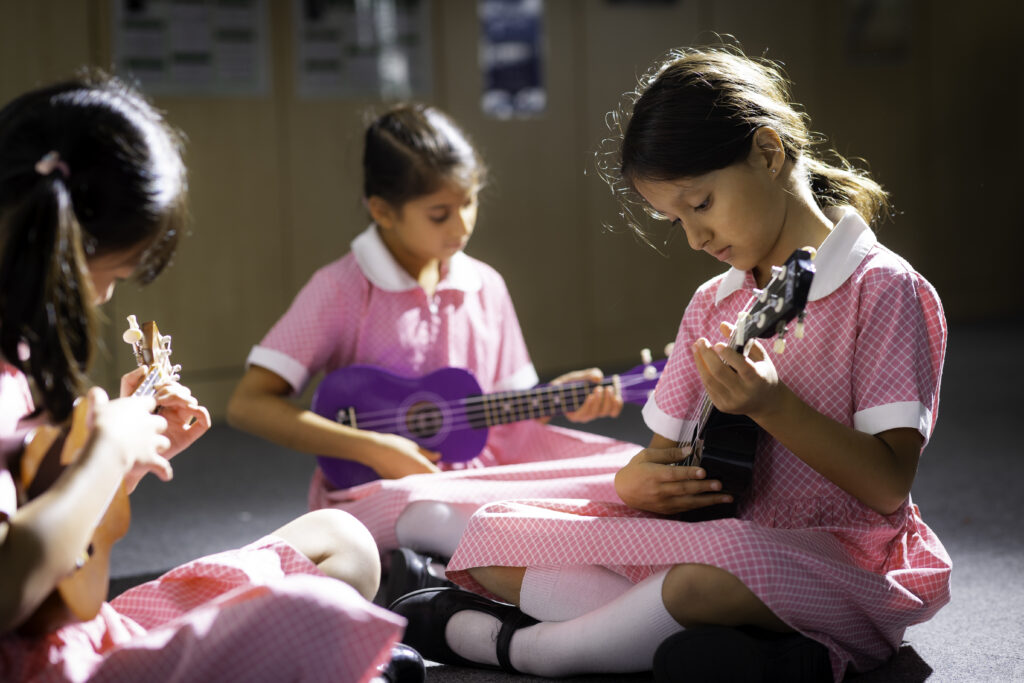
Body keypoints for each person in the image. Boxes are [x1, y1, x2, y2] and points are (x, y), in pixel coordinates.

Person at [390, 45, 951, 682]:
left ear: (768, 154)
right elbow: (662, 460)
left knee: (698, 584)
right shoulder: (713, 303)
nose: (694, 238)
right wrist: (636, 485)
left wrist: (773, 408)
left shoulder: (884, 289)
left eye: (701, 203)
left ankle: (529, 649)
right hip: (720, 542)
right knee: (493, 536)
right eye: (673, 219)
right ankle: (752, 656)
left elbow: (885, 487)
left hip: (838, 556)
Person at [0, 75, 419, 683]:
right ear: (53, 246)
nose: (108, 293)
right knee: (317, 611)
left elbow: (61, 546)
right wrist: (104, 452)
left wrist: (124, 465)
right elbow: (12, 590)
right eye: (111, 271)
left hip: (86, 632)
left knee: (342, 539)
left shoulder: (18, 353)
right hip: (58, 666)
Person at [227, 103, 637, 603]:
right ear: (382, 211)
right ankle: (580, 600)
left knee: (625, 468)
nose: (461, 225)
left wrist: (558, 399)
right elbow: (248, 404)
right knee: (437, 513)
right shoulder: (340, 288)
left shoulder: (485, 284)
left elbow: (510, 412)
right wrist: (372, 448)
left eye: (470, 202)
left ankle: (464, 584)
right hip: (380, 489)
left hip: (484, 474)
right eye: (440, 213)